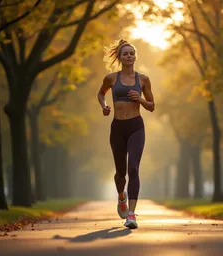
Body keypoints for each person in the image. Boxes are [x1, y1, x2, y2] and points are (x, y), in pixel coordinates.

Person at [97, 39, 155, 229]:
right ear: (120, 57)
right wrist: (104, 106)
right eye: (125, 53)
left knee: (134, 169)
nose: (129, 56)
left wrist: (141, 99)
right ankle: (121, 196)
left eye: (131, 53)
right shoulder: (111, 78)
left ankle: (131, 214)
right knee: (120, 173)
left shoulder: (143, 79)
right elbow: (101, 93)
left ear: (135, 56)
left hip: (136, 127)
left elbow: (152, 106)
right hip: (117, 128)